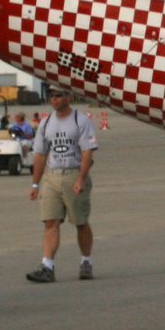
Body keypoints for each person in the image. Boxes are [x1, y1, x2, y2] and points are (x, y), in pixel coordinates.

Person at [26, 87, 97, 283]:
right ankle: (47, 266)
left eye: (58, 95)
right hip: (52, 176)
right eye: (52, 96)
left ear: (68, 97)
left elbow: (87, 152)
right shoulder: (46, 123)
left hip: (73, 174)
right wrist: (35, 184)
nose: (54, 99)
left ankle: (86, 262)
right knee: (50, 221)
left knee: (80, 222)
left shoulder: (80, 120)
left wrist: (81, 179)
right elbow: (40, 154)